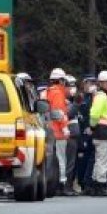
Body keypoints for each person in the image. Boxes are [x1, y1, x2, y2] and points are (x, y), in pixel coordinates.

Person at [88, 70, 107, 197]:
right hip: (103, 131)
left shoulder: (100, 96)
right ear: (100, 83)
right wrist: (93, 126)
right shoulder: (102, 96)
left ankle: (95, 184)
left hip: (101, 131)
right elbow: (94, 115)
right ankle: (101, 185)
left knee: (99, 159)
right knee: (104, 160)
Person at [45, 68, 70, 196]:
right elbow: (59, 113)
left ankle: (52, 183)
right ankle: (62, 184)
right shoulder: (58, 93)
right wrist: (65, 127)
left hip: (49, 130)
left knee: (51, 159)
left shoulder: (46, 92)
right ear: (61, 81)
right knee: (61, 158)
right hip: (59, 132)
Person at [78, 75, 97, 194]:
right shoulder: (81, 98)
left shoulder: (94, 98)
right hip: (81, 132)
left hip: (91, 131)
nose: (89, 85)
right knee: (82, 159)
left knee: (90, 157)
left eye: (92, 83)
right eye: (88, 83)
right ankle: (82, 182)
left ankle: (88, 182)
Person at [63, 75, 80, 196]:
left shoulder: (70, 101)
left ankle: (68, 185)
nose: (73, 89)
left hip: (72, 135)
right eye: (70, 86)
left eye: (74, 85)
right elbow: (68, 114)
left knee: (71, 162)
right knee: (67, 162)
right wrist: (76, 103)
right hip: (67, 135)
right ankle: (65, 187)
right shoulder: (63, 101)